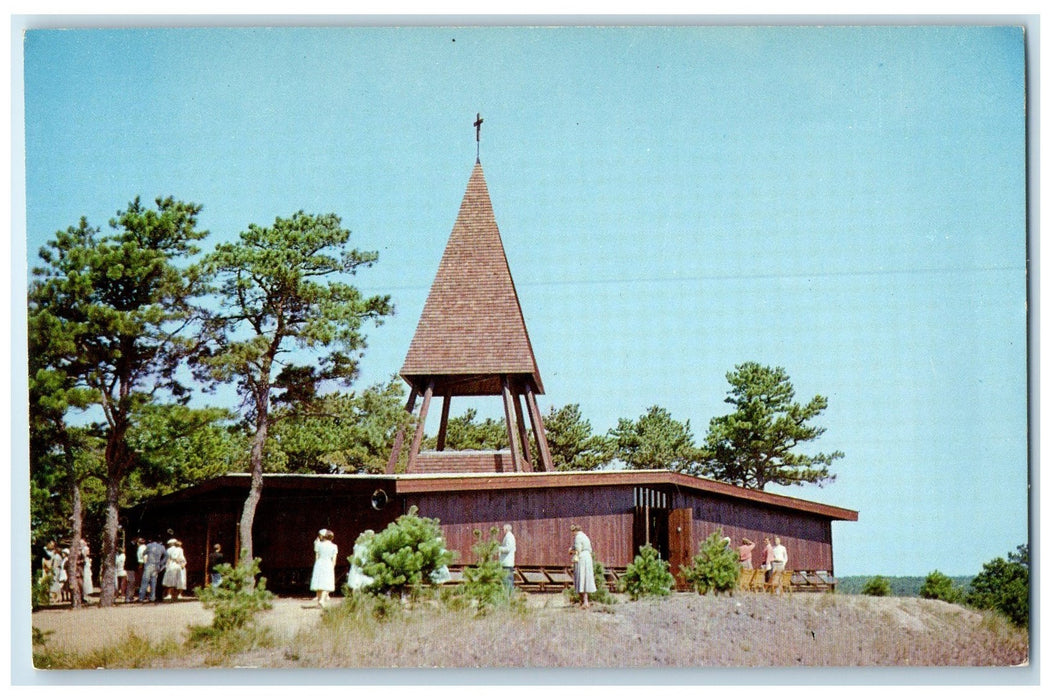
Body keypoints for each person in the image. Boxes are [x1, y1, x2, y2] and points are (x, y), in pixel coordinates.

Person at [569, 524, 596, 609]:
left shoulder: (578, 537)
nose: (572, 534)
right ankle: (584, 601)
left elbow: (578, 549)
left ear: (575, 531)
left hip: (582, 558)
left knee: (581, 578)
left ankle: (584, 602)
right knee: (586, 578)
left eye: (572, 532)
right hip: (587, 557)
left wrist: (571, 551)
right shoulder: (585, 536)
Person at [310, 529, 338, 607]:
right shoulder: (334, 546)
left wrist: (316, 565)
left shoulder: (318, 545)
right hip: (328, 564)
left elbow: (317, 556)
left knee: (319, 582)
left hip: (319, 563)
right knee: (327, 583)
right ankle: (322, 600)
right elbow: (334, 559)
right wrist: (332, 567)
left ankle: (319, 602)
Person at [138, 535, 168, 603]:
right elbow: (166, 555)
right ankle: (152, 597)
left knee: (145, 581)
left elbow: (144, 553)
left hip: (149, 564)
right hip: (156, 565)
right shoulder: (161, 547)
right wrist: (161, 562)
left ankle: (141, 597)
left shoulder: (149, 546)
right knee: (153, 581)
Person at [498, 523, 516, 594]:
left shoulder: (509, 537)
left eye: (503, 529)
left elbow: (508, 549)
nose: (502, 531)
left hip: (507, 563)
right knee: (507, 580)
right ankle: (508, 595)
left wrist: (499, 548)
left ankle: (509, 596)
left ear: (506, 529)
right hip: (507, 562)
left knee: (507, 581)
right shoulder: (509, 536)